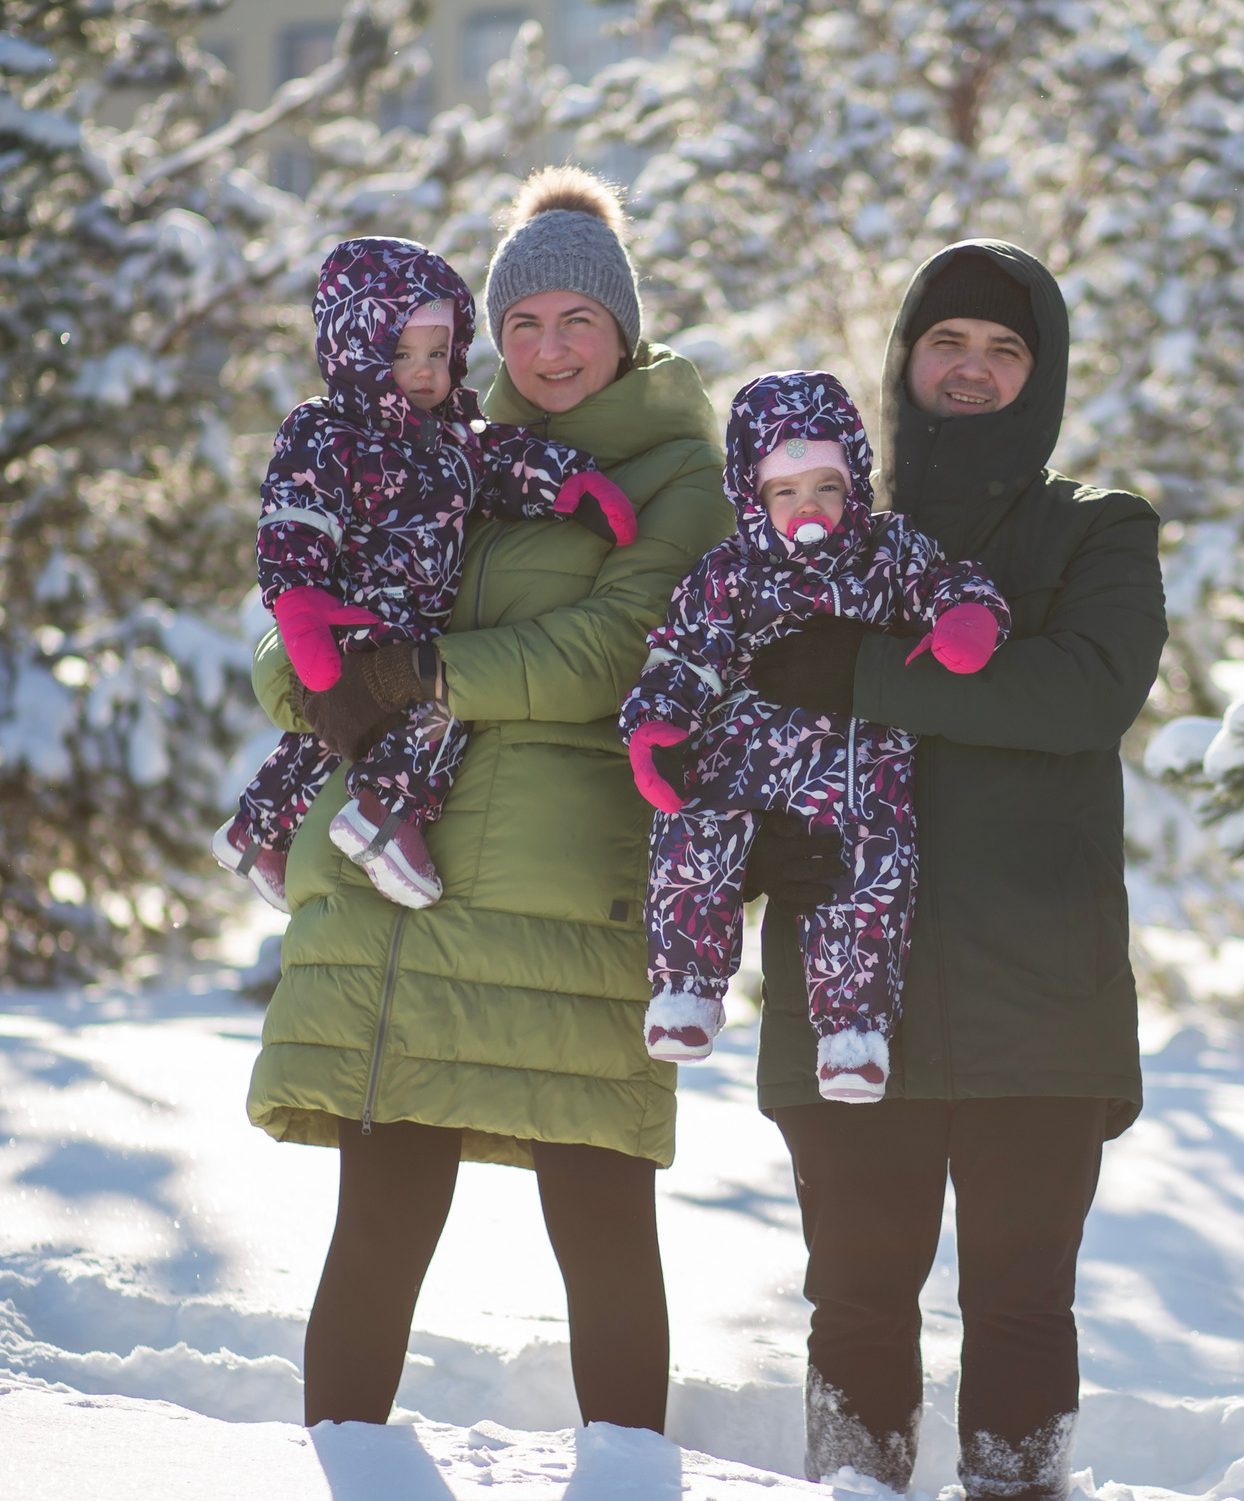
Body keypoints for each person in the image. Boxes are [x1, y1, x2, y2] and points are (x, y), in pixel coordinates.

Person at [243, 168, 735, 1433]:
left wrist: (422, 671)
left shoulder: (683, 475)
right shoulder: (432, 442)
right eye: (522, 321)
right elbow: (304, 613)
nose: (549, 348)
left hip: (564, 900)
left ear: (624, 329)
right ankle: (346, 1494)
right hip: (394, 893)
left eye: (578, 319)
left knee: (601, 1215)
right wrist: (318, 672)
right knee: (381, 1221)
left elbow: (619, 649)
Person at [743, 243, 1167, 1501]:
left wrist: (863, 670)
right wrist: (756, 832)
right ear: (904, 362)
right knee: (857, 1290)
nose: (971, 369)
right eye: (947, 344)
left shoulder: (1096, 530)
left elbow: (1081, 690)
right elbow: (729, 700)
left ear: (1039, 379)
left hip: (1038, 989)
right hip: (847, 980)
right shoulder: (812, 527)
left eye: (1004, 349)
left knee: (1022, 1294)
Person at [212, 236, 636, 912]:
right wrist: (301, 605)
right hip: (357, 618)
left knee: (326, 735)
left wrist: (571, 487)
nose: (423, 372)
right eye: (401, 354)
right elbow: (296, 516)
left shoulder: (453, 439)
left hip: (407, 623)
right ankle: (383, 816)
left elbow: (503, 465)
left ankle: (256, 831)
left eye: (436, 355)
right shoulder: (327, 433)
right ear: (359, 354)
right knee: (439, 711)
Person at [619, 370, 1008, 1102]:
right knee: (692, 839)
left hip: (857, 760)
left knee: (869, 877)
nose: (808, 507)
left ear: (853, 485)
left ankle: (853, 1038)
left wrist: (965, 621)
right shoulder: (727, 572)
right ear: (755, 496)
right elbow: (685, 651)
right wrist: (660, 727)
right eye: (786, 492)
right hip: (741, 752)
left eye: (826, 487)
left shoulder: (889, 551)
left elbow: (952, 583)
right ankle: (687, 991)